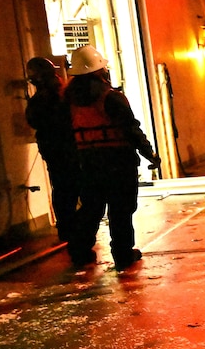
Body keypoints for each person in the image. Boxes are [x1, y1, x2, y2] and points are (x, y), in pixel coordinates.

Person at [64, 45, 160, 270]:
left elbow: (68, 135)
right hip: (118, 162)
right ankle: (123, 253)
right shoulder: (111, 98)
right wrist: (150, 154)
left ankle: (79, 251)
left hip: (88, 162)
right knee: (121, 209)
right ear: (100, 70)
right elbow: (131, 129)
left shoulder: (69, 102)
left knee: (91, 209)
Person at [24, 57, 81, 243]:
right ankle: (74, 228)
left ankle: (67, 228)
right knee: (74, 187)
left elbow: (33, 121)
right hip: (68, 147)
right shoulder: (63, 96)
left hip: (54, 149)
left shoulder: (39, 101)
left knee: (63, 188)